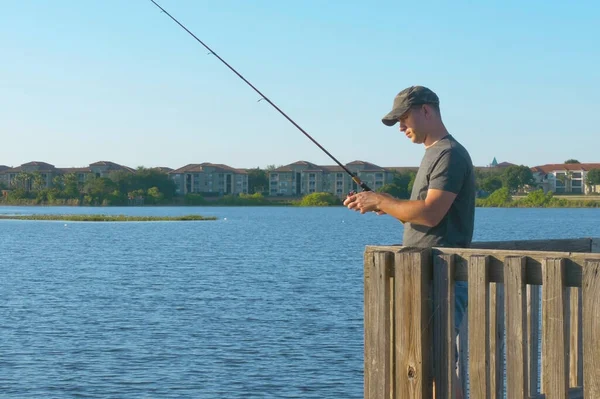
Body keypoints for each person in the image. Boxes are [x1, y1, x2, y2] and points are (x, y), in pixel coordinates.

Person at [343, 85, 475, 397]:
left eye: (404, 119)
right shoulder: (434, 154)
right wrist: (382, 204)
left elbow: (430, 214)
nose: (401, 127)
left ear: (426, 110)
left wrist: (381, 201)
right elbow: (422, 216)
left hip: (441, 276)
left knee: (439, 362)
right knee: (426, 361)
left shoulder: (449, 154)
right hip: (425, 272)